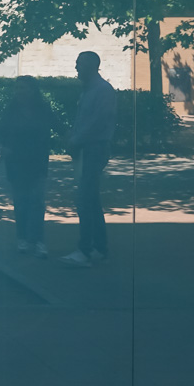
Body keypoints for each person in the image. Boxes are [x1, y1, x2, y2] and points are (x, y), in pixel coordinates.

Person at [60, 50, 117, 268]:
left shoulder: (101, 91)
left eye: (79, 64)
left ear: (92, 66)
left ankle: (87, 249)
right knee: (90, 199)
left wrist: (75, 140)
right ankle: (97, 248)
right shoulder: (92, 90)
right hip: (89, 148)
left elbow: (96, 122)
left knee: (85, 199)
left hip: (93, 148)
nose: (76, 67)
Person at [0, 75, 53, 258]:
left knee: (37, 202)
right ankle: (22, 238)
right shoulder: (10, 110)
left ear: (33, 91)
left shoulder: (44, 110)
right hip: (16, 162)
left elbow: (57, 127)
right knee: (21, 202)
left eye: (23, 88)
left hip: (37, 161)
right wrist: (2, 146)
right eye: (17, 88)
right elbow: (0, 131)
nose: (19, 92)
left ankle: (38, 241)